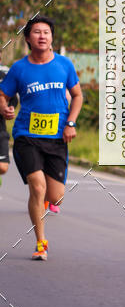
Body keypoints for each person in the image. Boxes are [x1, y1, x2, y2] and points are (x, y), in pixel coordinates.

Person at [0, 16, 83, 260]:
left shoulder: (64, 65)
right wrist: (4, 108)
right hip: (27, 136)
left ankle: (46, 204)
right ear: (28, 38)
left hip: (57, 137)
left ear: (52, 38)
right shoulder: (19, 68)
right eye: (37, 32)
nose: (42, 36)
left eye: (46, 32)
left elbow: (77, 96)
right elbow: (2, 94)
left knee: (55, 196)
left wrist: (70, 123)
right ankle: (41, 243)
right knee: (37, 187)